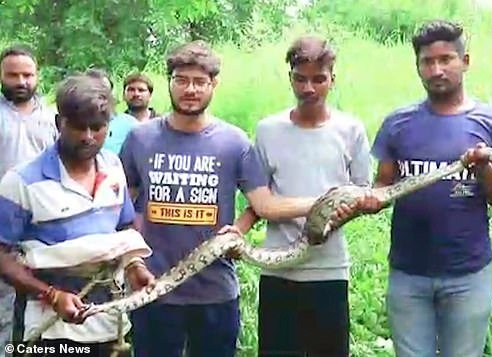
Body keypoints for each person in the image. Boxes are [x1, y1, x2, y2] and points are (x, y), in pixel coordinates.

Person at [120, 40, 319, 357]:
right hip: (153, 289)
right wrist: (132, 260)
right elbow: (123, 209)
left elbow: (263, 205)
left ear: (214, 84)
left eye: (200, 82)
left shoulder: (233, 141)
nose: (190, 89)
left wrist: (239, 228)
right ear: (169, 81)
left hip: (215, 292)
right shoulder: (140, 138)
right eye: (181, 80)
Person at [338, 20, 492, 357]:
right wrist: (367, 201)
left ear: (465, 61)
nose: (436, 69)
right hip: (408, 274)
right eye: (427, 61)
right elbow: (382, 186)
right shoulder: (398, 123)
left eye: (446, 59)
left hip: (468, 273)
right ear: (417, 66)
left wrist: (484, 169)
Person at [230, 35, 371, 356]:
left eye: (319, 79)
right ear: (290, 77)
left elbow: (362, 195)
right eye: (300, 79)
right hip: (278, 272)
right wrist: (237, 231)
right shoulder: (268, 130)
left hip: (329, 270)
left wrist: (336, 215)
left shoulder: (351, 130)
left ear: (332, 79)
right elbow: (260, 199)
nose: (309, 88)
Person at [0, 74, 155, 355]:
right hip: (47, 329)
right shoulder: (21, 181)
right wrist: (51, 294)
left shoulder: (113, 167)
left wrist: (134, 266)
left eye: (97, 128)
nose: (87, 136)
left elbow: (125, 228)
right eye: (78, 127)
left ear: (108, 127)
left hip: (110, 322)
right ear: (60, 123)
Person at [0, 45, 58, 353]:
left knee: (39, 299)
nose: (21, 81)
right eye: (13, 75)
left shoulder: (52, 119)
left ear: (37, 76)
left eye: (27, 74)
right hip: (1, 226)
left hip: (40, 224)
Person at [85, 68, 138, 154]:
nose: (99, 96)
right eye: (94, 90)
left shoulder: (130, 125)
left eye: (105, 90)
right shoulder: (75, 126)